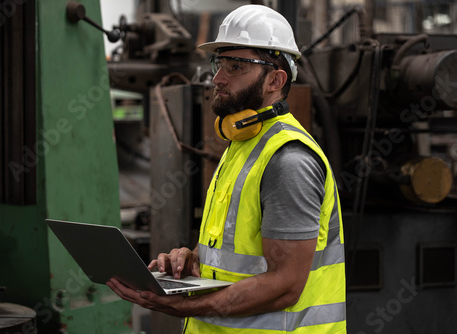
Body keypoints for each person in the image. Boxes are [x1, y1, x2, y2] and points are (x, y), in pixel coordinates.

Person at [107, 4, 346, 333]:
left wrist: (186, 306)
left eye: (236, 66)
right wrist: (191, 259)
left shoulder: (288, 161)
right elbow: (237, 257)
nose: (217, 79)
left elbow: (286, 284)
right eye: (219, 64)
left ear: (275, 79)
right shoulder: (242, 146)